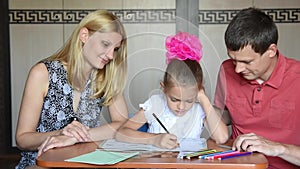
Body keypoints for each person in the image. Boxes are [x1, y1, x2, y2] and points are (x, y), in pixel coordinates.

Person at [15, 10, 129, 169]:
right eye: (105, 44)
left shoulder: (106, 77)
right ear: (84, 36)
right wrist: (60, 133)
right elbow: (22, 139)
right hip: (40, 164)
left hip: (85, 163)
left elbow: (123, 126)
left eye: (115, 49)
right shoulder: (42, 73)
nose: (111, 55)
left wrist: (79, 137)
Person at [214, 7, 300, 169]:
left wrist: (278, 148)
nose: (238, 69)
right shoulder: (226, 70)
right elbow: (222, 118)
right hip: (236, 165)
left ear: (271, 51)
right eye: (233, 60)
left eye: (247, 62)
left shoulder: (297, 78)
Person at [115, 32, 229, 149]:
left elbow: (222, 138)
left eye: (189, 101)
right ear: (164, 88)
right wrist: (154, 139)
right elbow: (121, 133)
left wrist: (203, 99)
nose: (181, 107)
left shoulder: (199, 109)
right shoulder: (156, 104)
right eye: (174, 99)